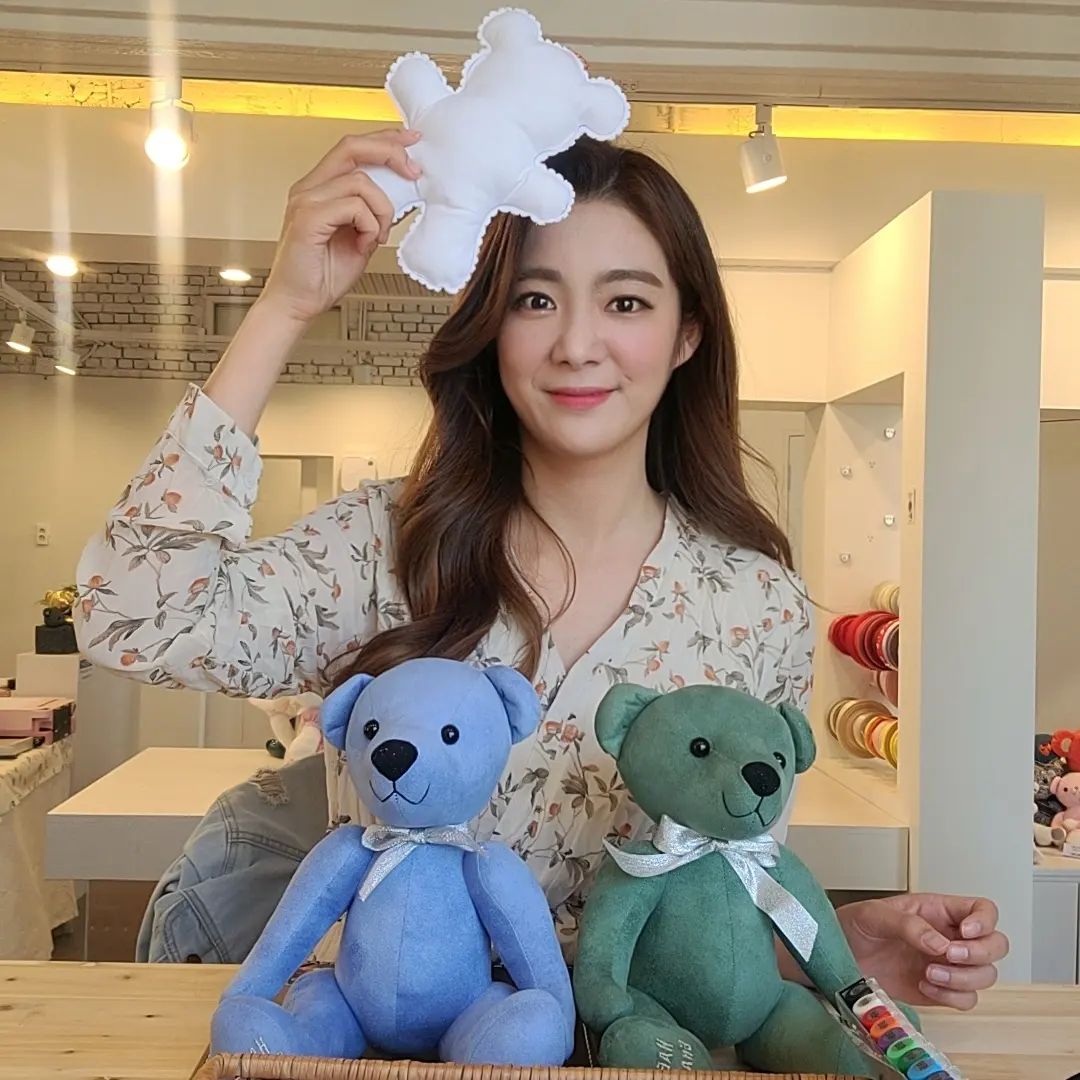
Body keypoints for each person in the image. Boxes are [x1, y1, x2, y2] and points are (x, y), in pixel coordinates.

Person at [74, 128, 1007, 1012]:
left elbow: (711, 910)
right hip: (391, 1049)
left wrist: (833, 947)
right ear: (492, 327)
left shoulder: (757, 605)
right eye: (535, 299)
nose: (576, 343)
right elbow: (131, 616)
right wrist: (285, 306)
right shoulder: (385, 546)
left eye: (626, 302)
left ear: (687, 335)